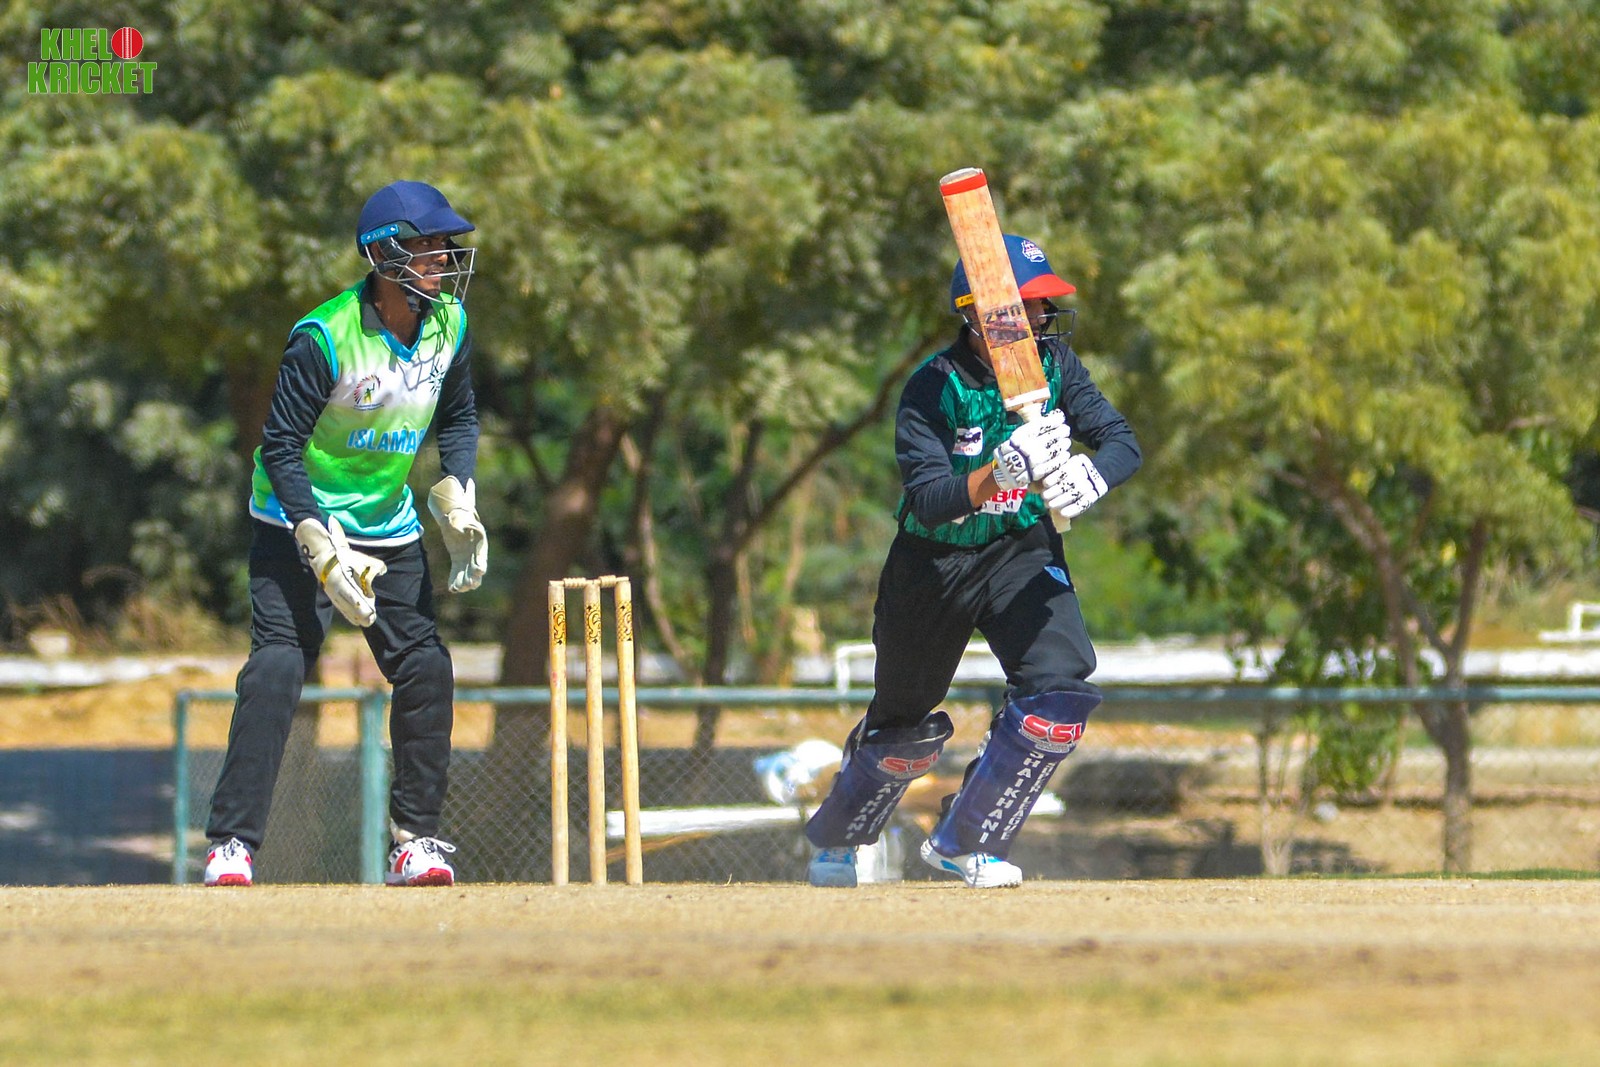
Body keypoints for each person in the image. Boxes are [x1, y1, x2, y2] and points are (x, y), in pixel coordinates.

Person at [804, 234, 1140, 888]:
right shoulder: (933, 387)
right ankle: (840, 840)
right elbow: (929, 501)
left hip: (1020, 547)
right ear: (982, 316)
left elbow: (1121, 439)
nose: (1041, 318)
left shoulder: (1056, 365)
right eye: (1027, 306)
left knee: (1058, 690)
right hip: (933, 564)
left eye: (1043, 305)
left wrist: (1094, 476)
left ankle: (970, 837)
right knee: (905, 722)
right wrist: (1000, 471)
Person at [203, 180, 489, 887]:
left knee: (425, 667)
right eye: (427, 245)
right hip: (294, 523)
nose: (443, 257)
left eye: (445, 245)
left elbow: (458, 416)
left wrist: (458, 489)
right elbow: (279, 447)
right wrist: (316, 541)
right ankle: (231, 846)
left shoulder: (449, 325)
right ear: (384, 254)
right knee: (277, 668)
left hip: (387, 528)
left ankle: (414, 843)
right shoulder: (325, 337)